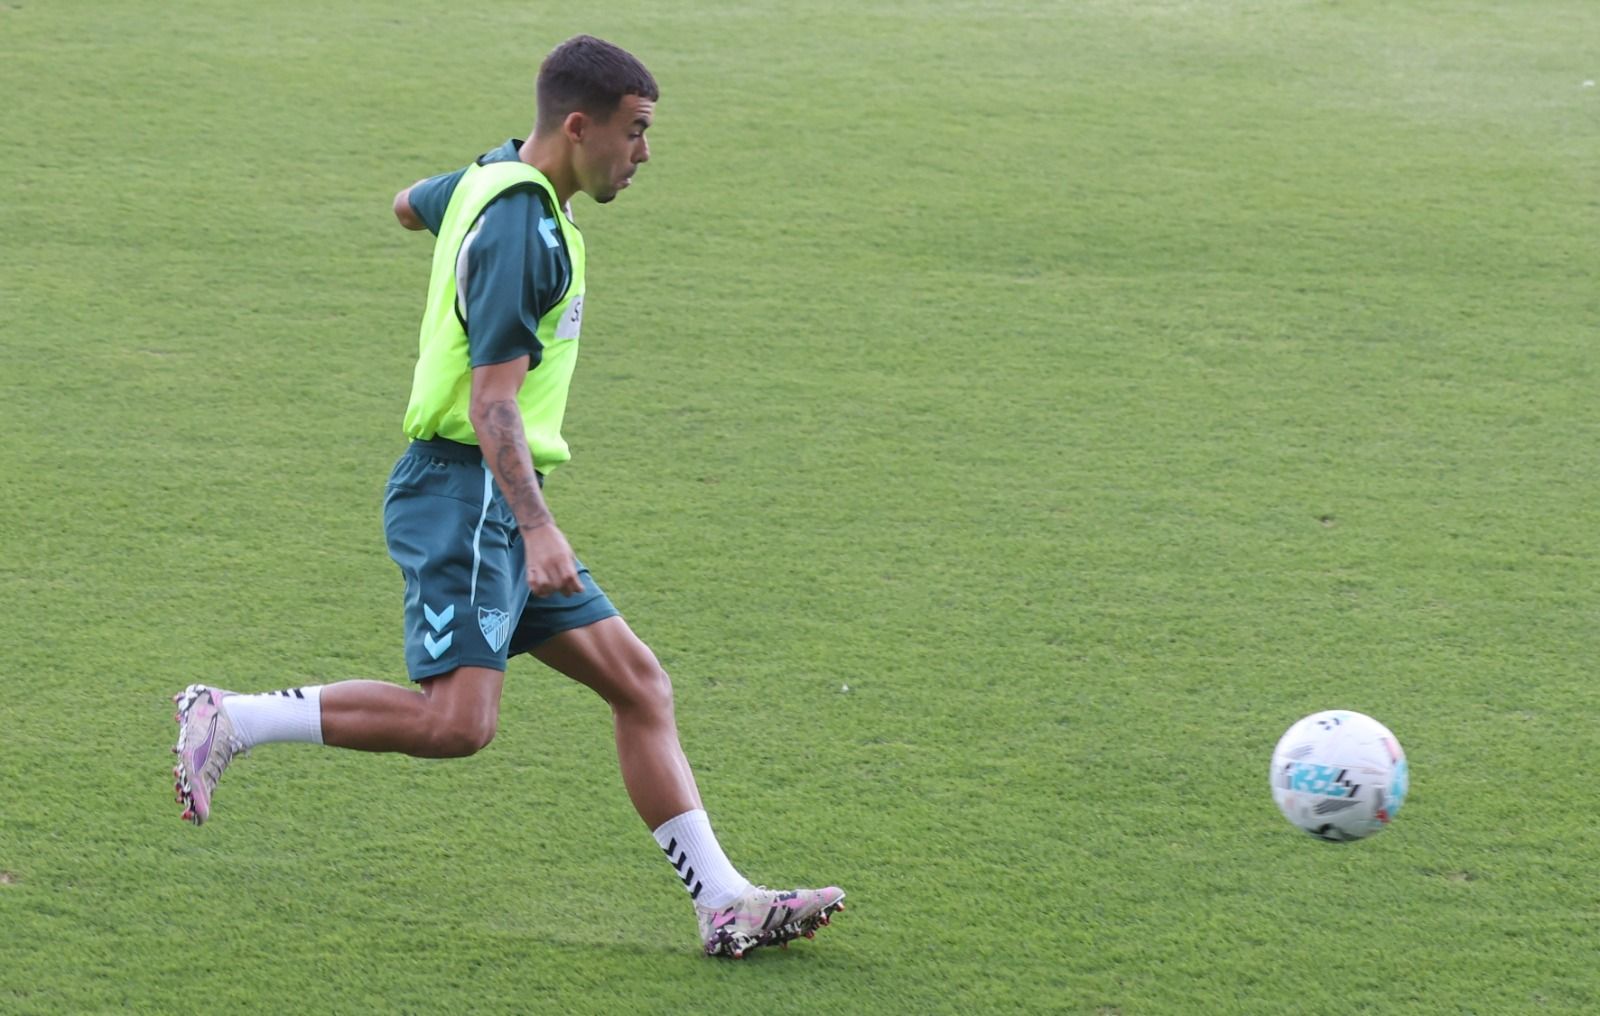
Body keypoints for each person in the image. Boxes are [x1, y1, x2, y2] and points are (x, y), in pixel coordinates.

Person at [170, 34, 843, 960]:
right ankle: (231, 716)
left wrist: (471, 207)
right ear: (579, 125)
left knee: (640, 685)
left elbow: (409, 206)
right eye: (635, 131)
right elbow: (492, 404)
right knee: (457, 724)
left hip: (485, 497)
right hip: (470, 497)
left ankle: (722, 902)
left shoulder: (493, 178)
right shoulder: (525, 230)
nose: (644, 153)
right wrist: (537, 527)